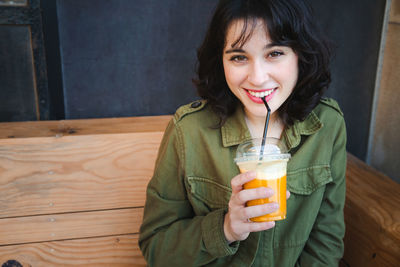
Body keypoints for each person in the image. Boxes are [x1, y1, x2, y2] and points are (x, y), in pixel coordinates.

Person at [139, 0, 347, 266]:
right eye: (239, 57)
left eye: (274, 53)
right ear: (221, 61)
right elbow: (156, 246)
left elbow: (325, 243)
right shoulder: (188, 131)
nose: (258, 78)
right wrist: (226, 228)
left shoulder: (327, 125)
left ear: (300, 54)